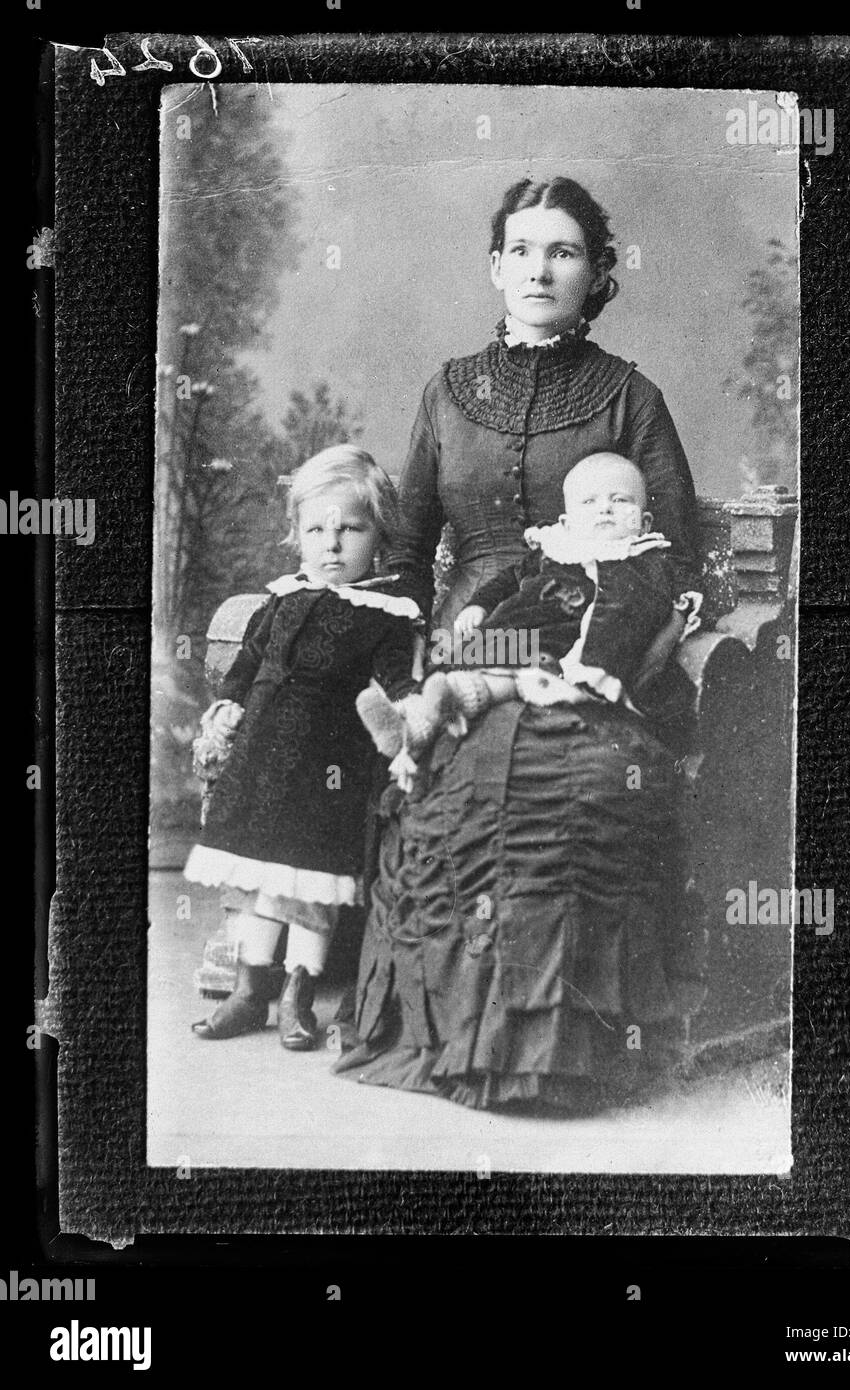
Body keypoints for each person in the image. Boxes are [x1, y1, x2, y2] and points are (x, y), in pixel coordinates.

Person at [334, 177, 705, 1110]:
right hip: (468, 641)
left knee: (568, 783)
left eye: (565, 251)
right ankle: (455, 1030)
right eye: (524, 251)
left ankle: (552, 1052)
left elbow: (680, 548)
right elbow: (411, 548)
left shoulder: (631, 395)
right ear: (497, 267)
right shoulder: (446, 390)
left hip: (598, 649)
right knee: (458, 761)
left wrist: (640, 651)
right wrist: (405, 648)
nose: (542, 269)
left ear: (596, 274)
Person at [183, 446, 420, 1050]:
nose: (332, 544)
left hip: (329, 771)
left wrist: (410, 715)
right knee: (255, 878)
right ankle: (248, 988)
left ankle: (298, 993)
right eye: (317, 529)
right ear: (297, 535)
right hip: (262, 761)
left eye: (350, 529)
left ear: (379, 536)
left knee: (310, 886)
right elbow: (247, 663)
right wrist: (228, 702)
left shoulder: (386, 614)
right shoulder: (281, 599)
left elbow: (400, 681)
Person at [355, 452, 678, 787]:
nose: (605, 508)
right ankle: (409, 718)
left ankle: (428, 721)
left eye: (620, 499)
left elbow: (634, 613)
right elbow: (510, 578)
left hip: (554, 648)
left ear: (645, 521)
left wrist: (593, 668)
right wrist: (479, 604)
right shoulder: (557, 548)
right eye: (590, 501)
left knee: (506, 681)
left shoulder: (643, 563)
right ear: (567, 522)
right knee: (456, 661)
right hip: (506, 632)